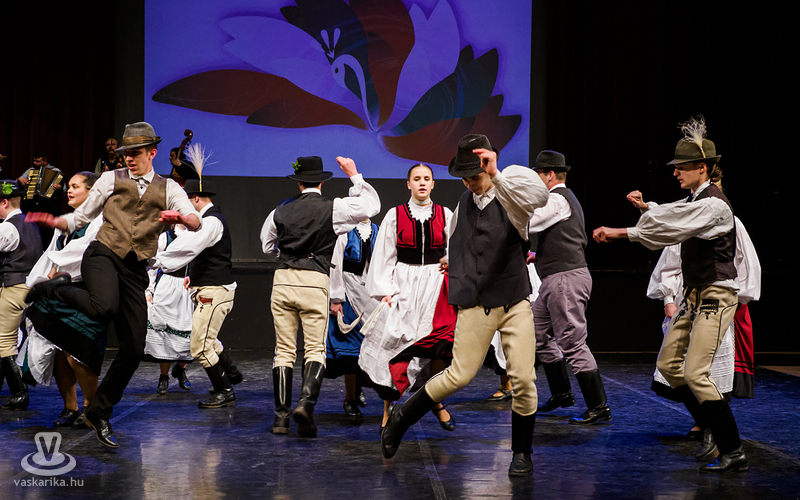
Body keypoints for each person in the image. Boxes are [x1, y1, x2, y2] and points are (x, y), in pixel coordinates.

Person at [380, 134, 549, 477]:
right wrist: (452, 262)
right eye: (465, 177)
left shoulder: (511, 196)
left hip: (513, 301)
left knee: (524, 378)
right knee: (459, 374)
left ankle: (521, 453)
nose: (470, 183)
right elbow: (457, 239)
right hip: (476, 302)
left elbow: (539, 198)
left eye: (475, 176)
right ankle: (402, 417)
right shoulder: (463, 202)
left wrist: (497, 174)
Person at [25, 121, 201, 447]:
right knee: (104, 307)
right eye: (125, 153)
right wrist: (56, 221)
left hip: (135, 269)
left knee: (134, 348)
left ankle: (99, 411)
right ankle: (57, 287)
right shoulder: (110, 179)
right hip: (103, 254)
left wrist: (181, 218)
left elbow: (195, 220)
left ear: (152, 153)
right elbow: (82, 217)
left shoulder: (168, 188)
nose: (129, 158)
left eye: (135, 153)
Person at [593, 116, 747, 473]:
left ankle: (733, 448)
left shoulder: (715, 204)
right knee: (668, 367)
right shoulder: (696, 199)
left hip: (715, 294)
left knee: (696, 374)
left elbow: (675, 225)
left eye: (682, 167)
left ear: (702, 168)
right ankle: (708, 424)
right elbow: (677, 213)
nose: (676, 172)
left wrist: (621, 232)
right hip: (694, 294)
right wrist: (647, 208)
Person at [261, 156, 380, 438]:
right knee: (315, 349)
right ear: (322, 183)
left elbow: (267, 246)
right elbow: (372, 206)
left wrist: (289, 254)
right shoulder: (333, 208)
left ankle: (281, 419)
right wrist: (354, 175)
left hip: (283, 279)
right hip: (314, 281)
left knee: (283, 350)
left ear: (299, 183)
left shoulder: (279, 209)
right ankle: (305, 405)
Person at [360, 163, 457, 433]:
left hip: (435, 285)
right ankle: (388, 409)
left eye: (427, 178)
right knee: (396, 343)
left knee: (437, 344)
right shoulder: (395, 215)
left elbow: (456, 248)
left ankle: (434, 400)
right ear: (408, 184)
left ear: (433, 184)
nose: (422, 183)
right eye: (417, 178)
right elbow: (384, 255)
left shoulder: (445, 214)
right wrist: (385, 292)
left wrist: (450, 261)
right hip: (404, 284)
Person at [647, 216, 761, 443]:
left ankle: (718, 434)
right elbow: (670, 262)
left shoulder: (731, 222)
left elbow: (746, 262)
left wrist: (738, 299)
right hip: (687, 300)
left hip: (716, 302)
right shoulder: (687, 220)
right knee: (674, 365)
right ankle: (705, 422)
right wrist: (668, 298)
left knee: (706, 369)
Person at [528, 150, 611, 424]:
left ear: (550, 175)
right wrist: (539, 256)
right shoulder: (561, 200)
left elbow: (530, 223)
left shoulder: (557, 198)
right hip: (555, 278)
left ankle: (598, 406)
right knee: (537, 333)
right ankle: (562, 393)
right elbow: (565, 238)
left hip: (565, 279)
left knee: (572, 342)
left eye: (538, 174)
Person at [20, 172, 104, 425]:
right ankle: (70, 407)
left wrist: (58, 269)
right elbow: (51, 253)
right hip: (59, 292)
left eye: (75, 186)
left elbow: (83, 252)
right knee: (58, 351)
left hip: (85, 292)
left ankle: (91, 408)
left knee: (77, 354)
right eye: (69, 186)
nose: (69, 190)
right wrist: (42, 280)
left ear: (92, 192)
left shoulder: (101, 221)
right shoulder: (66, 222)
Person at [150, 178, 241, 408]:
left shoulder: (211, 222)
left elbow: (189, 247)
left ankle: (225, 390)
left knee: (200, 346)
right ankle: (230, 373)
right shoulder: (207, 222)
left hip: (215, 291)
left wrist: (155, 261)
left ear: (196, 199)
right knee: (209, 341)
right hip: (209, 290)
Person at [326, 218, 380, 418]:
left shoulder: (379, 231)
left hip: (373, 295)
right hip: (349, 293)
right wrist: (336, 298)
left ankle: (363, 386)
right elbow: (336, 266)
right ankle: (350, 398)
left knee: (375, 346)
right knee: (351, 350)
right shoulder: (345, 233)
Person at [0, 179, 43, 410]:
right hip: (30, 287)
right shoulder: (31, 224)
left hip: (13, 288)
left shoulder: (7, 227)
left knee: (4, 341)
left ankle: (19, 393)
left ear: (5, 202)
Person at [145, 225, 194, 395]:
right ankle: (163, 377)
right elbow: (152, 266)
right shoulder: (165, 238)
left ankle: (180, 369)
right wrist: (149, 291)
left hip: (188, 288)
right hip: (167, 286)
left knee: (189, 334)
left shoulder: (197, 236)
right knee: (164, 334)